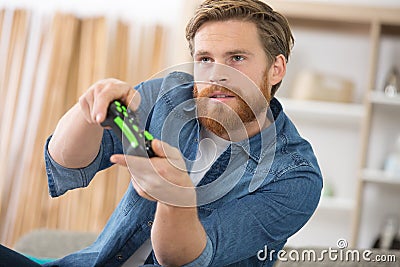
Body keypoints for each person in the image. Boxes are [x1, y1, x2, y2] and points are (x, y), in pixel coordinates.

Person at [41, 0, 323, 266]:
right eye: (205, 59)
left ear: (276, 69)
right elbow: (65, 163)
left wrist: (175, 195)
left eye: (236, 58)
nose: (216, 75)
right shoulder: (168, 96)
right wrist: (90, 108)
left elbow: (185, 260)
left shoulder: (295, 175)